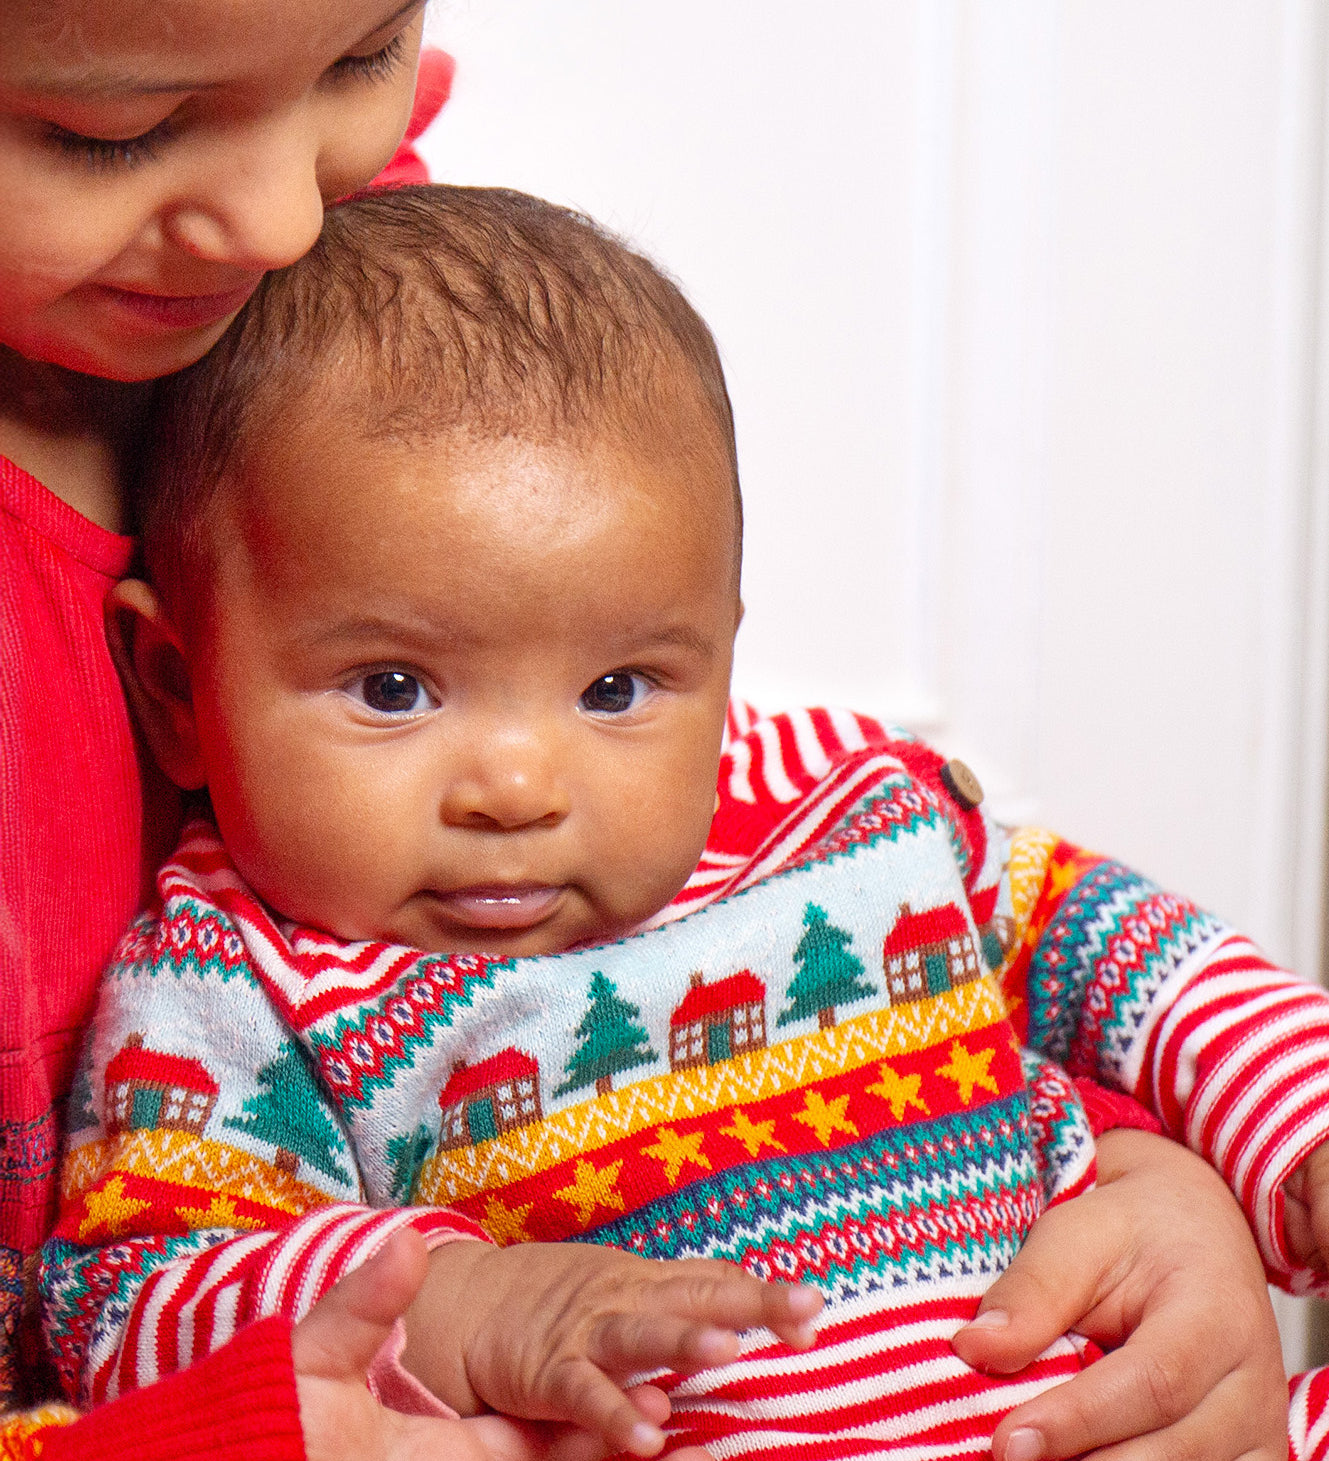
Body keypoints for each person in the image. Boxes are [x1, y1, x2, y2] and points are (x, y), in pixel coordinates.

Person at [44, 183, 1325, 1457]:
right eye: (394, 690)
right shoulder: (233, 987)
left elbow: (1122, 948)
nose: (520, 788)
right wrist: (449, 1303)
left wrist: (1300, 1120)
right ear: (178, 689)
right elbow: (130, 1303)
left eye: (618, 690)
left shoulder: (835, 799)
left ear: (719, 659)